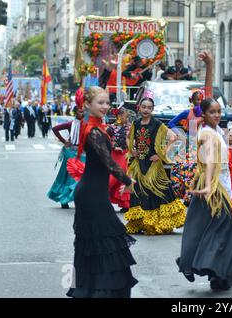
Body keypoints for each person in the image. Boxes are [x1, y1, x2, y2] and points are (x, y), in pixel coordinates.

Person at [66, 86, 137, 298]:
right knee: (105, 239)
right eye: (101, 103)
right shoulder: (94, 131)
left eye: (107, 102)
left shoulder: (96, 128)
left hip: (92, 191)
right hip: (91, 194)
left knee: (97, 242)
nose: (106, 106)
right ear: (87, 104)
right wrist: (128, 180)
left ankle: (95, 289)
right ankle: (101, 291)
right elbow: (108, 164)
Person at [176, 97, 232, 291]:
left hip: (220, 183)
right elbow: (209, 162)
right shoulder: (207, 133)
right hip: (214, 187)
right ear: (203, 115)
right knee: (224, 229)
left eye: (218, 112)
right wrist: (207, 185)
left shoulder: (216, 130)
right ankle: (216, 272)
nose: (216, 115)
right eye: (212, 112)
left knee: (203, 227)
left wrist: (209, 66)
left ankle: (216, 271)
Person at [124, 97, 186, 235]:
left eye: (149, 107)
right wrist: (131, 149)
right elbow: (128, 137)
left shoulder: (157, 124)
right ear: (139, 108)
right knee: (140, 192)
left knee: (160, 190)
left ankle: (158, 222)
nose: (146, 110)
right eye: (143, 107)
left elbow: (173, 138)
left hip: (153, 164)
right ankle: (142, 222)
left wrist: (160, 154)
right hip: (139, 164)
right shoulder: (136, 123)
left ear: (152, 109)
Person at [168, 51, 214, 206]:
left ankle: (197, 196)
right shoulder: (186, 113)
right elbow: (171, 123)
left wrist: (209, 66)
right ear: (192, 100)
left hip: (203, 146)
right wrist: (180, 134)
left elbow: (208, 89)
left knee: (200, 171)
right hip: (188, 145)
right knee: (180, 171)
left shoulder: (207, 112)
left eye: (201, 99)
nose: (199, 101)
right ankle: (186, 196)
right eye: (196, 99)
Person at [47, 89, 86, 209]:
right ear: (76, 112)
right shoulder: (71, 124)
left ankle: (79, 198)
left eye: (83, 111)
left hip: (83, 153)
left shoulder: (88, 124)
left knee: (82, 177)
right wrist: (64, 141)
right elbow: (55, 129)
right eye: (80, 111)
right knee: (69, 177)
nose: (82, 113)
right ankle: (64, 200)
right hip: (71, 153)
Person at [107, 106, 131, 213]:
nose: (128, 119)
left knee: (124, 177)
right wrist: (114, 146)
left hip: (125, 155)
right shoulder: (111, 128)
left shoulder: (130, 127)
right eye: (126, 116)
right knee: (112, 178)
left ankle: (125, 204)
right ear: (119, 116)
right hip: (114, 155)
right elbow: (106, 139)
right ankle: (102, 199)